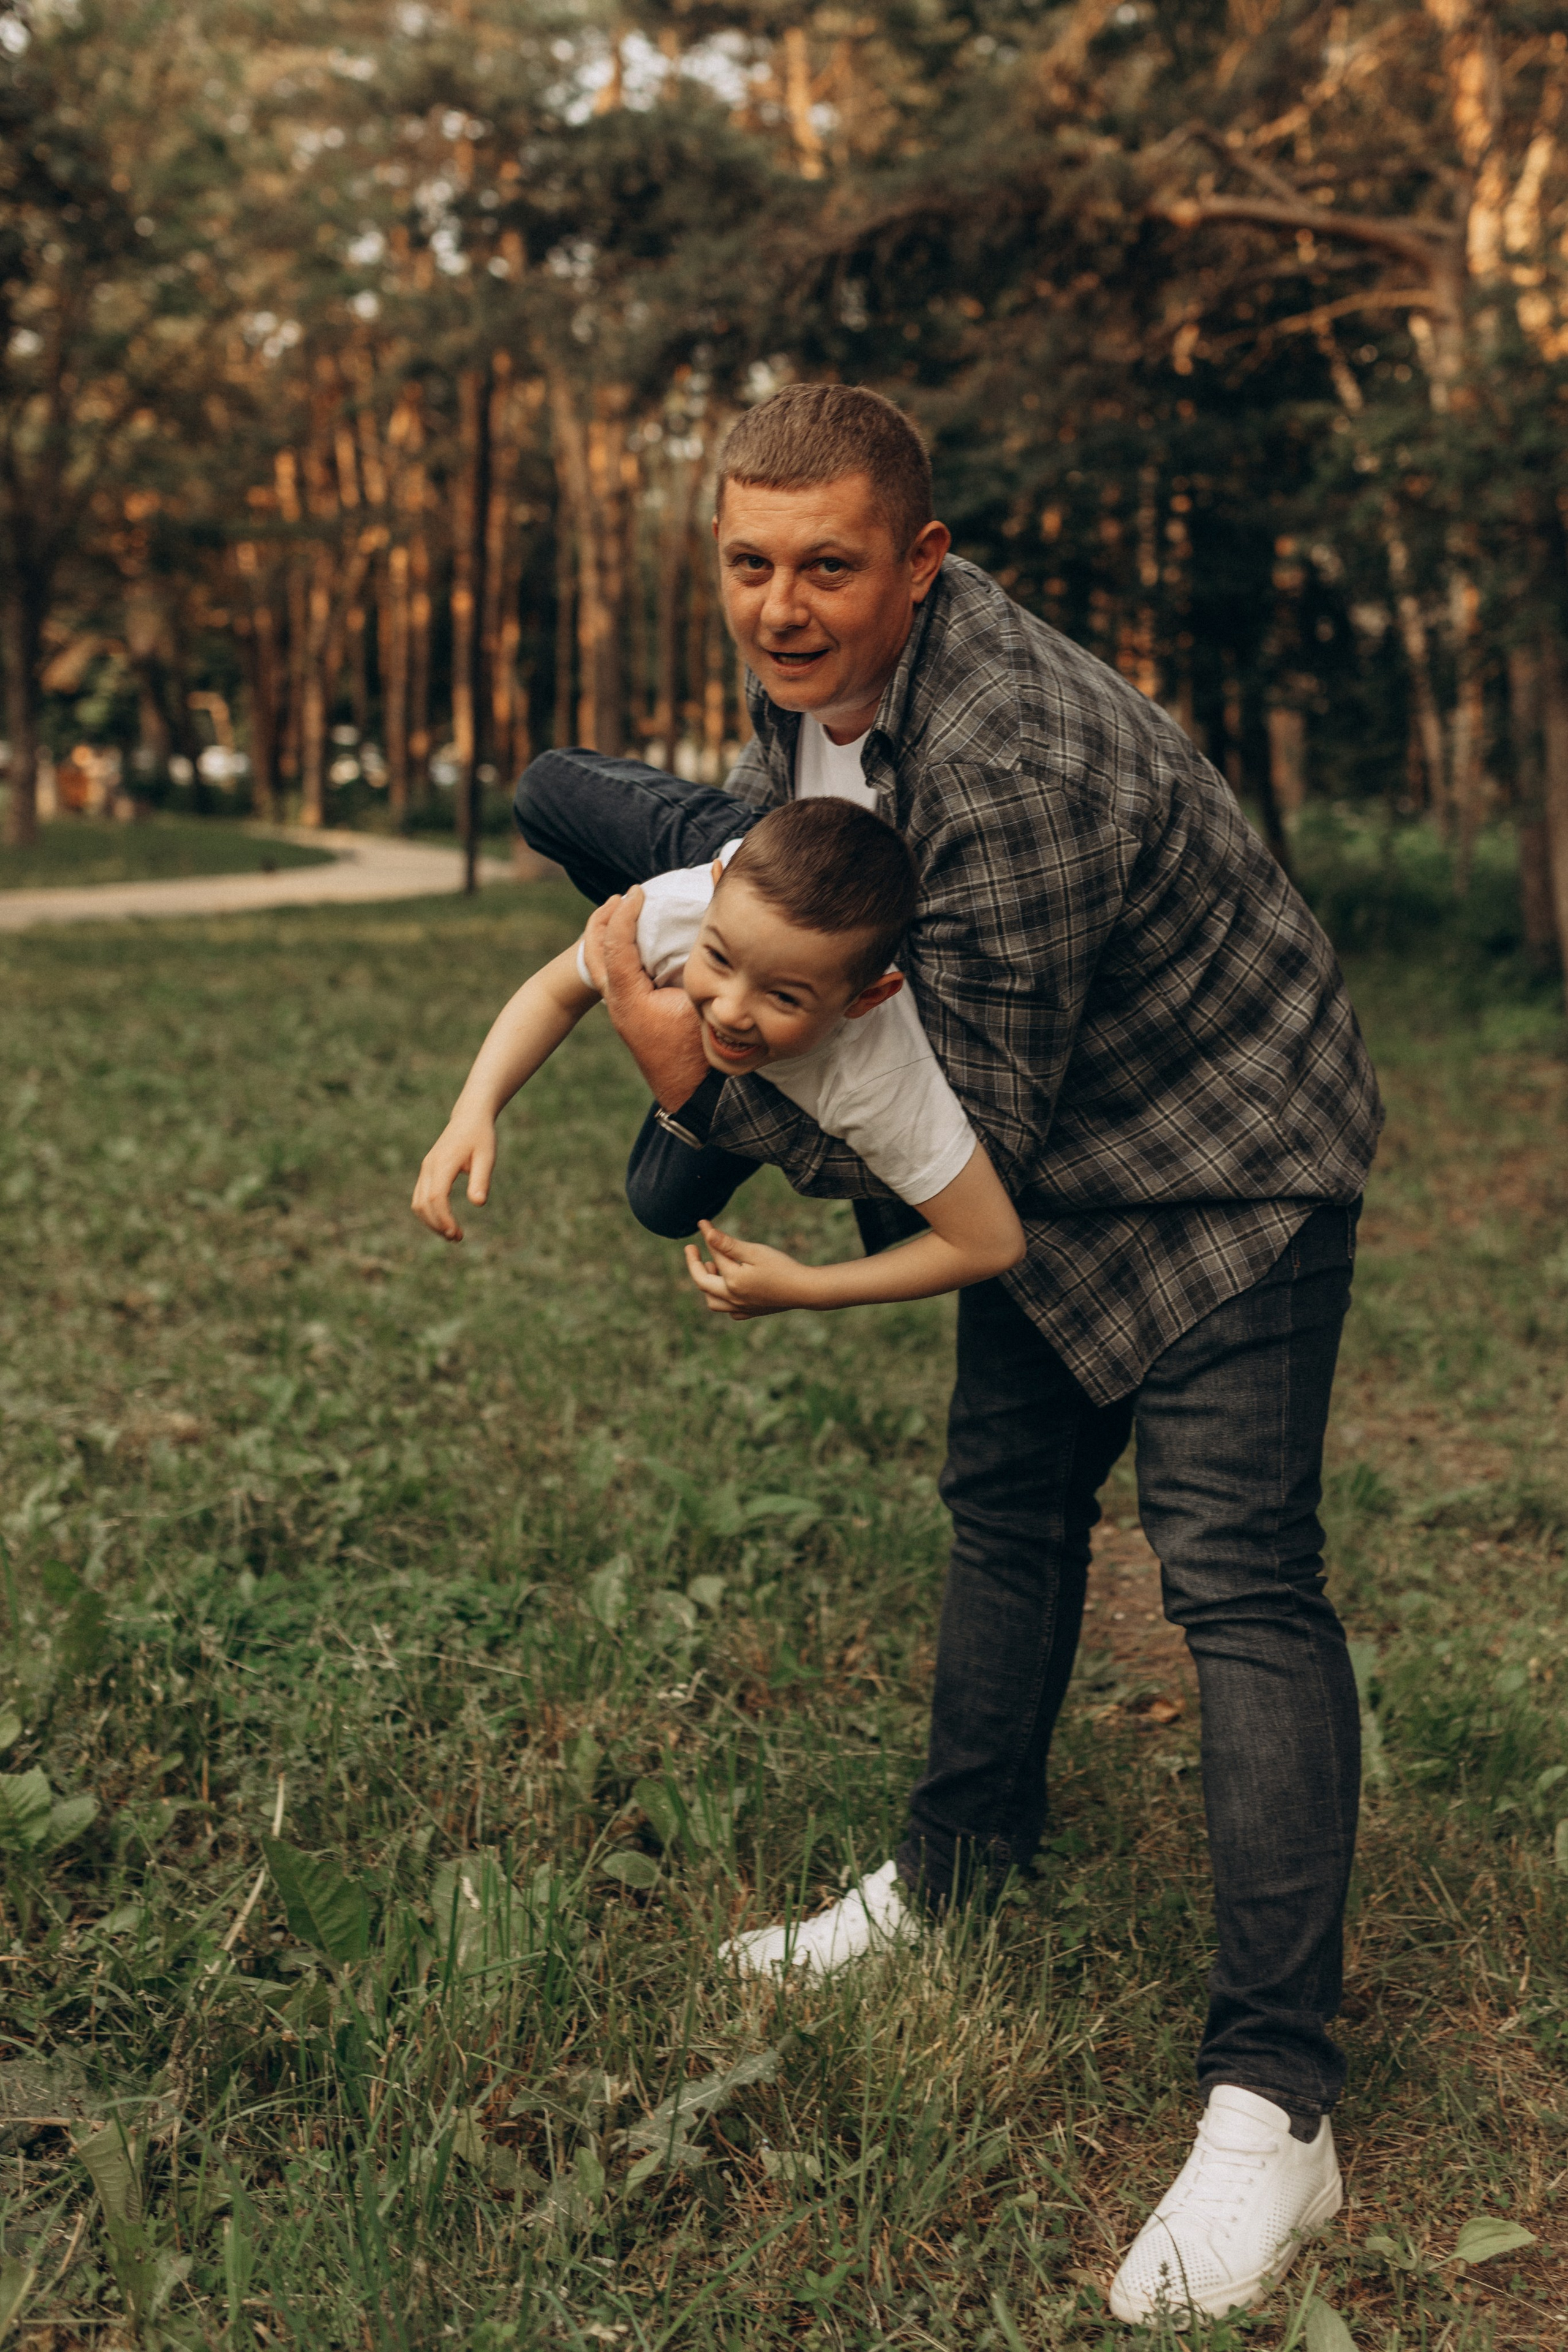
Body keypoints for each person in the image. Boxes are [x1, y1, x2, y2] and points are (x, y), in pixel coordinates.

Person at [511, 383, 1383, 2326]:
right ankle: (957, 1862)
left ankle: (1276, 2101)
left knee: (1234, 1576)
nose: (783, 605)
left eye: (829, 565)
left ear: (921, 559)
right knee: (1004, 1502)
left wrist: (680, 1066)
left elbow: (949, 1135)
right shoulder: (831, 695)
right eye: (750, 563)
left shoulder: (1020, 766)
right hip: (1055, 1145)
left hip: (1223, 1164)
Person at [412, 796, 1024, 1316]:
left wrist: (807, 1287)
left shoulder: (879, 1082)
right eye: (721, 962)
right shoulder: (676, 914)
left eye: (783, 996)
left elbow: (988, 1243)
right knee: (545, 787)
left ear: (866, 999)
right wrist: (474, 1109)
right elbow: (554, 991)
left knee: (659, 1201)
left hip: (822, 1051)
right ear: (715, 890)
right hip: (726, 876)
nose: (731, 1009)